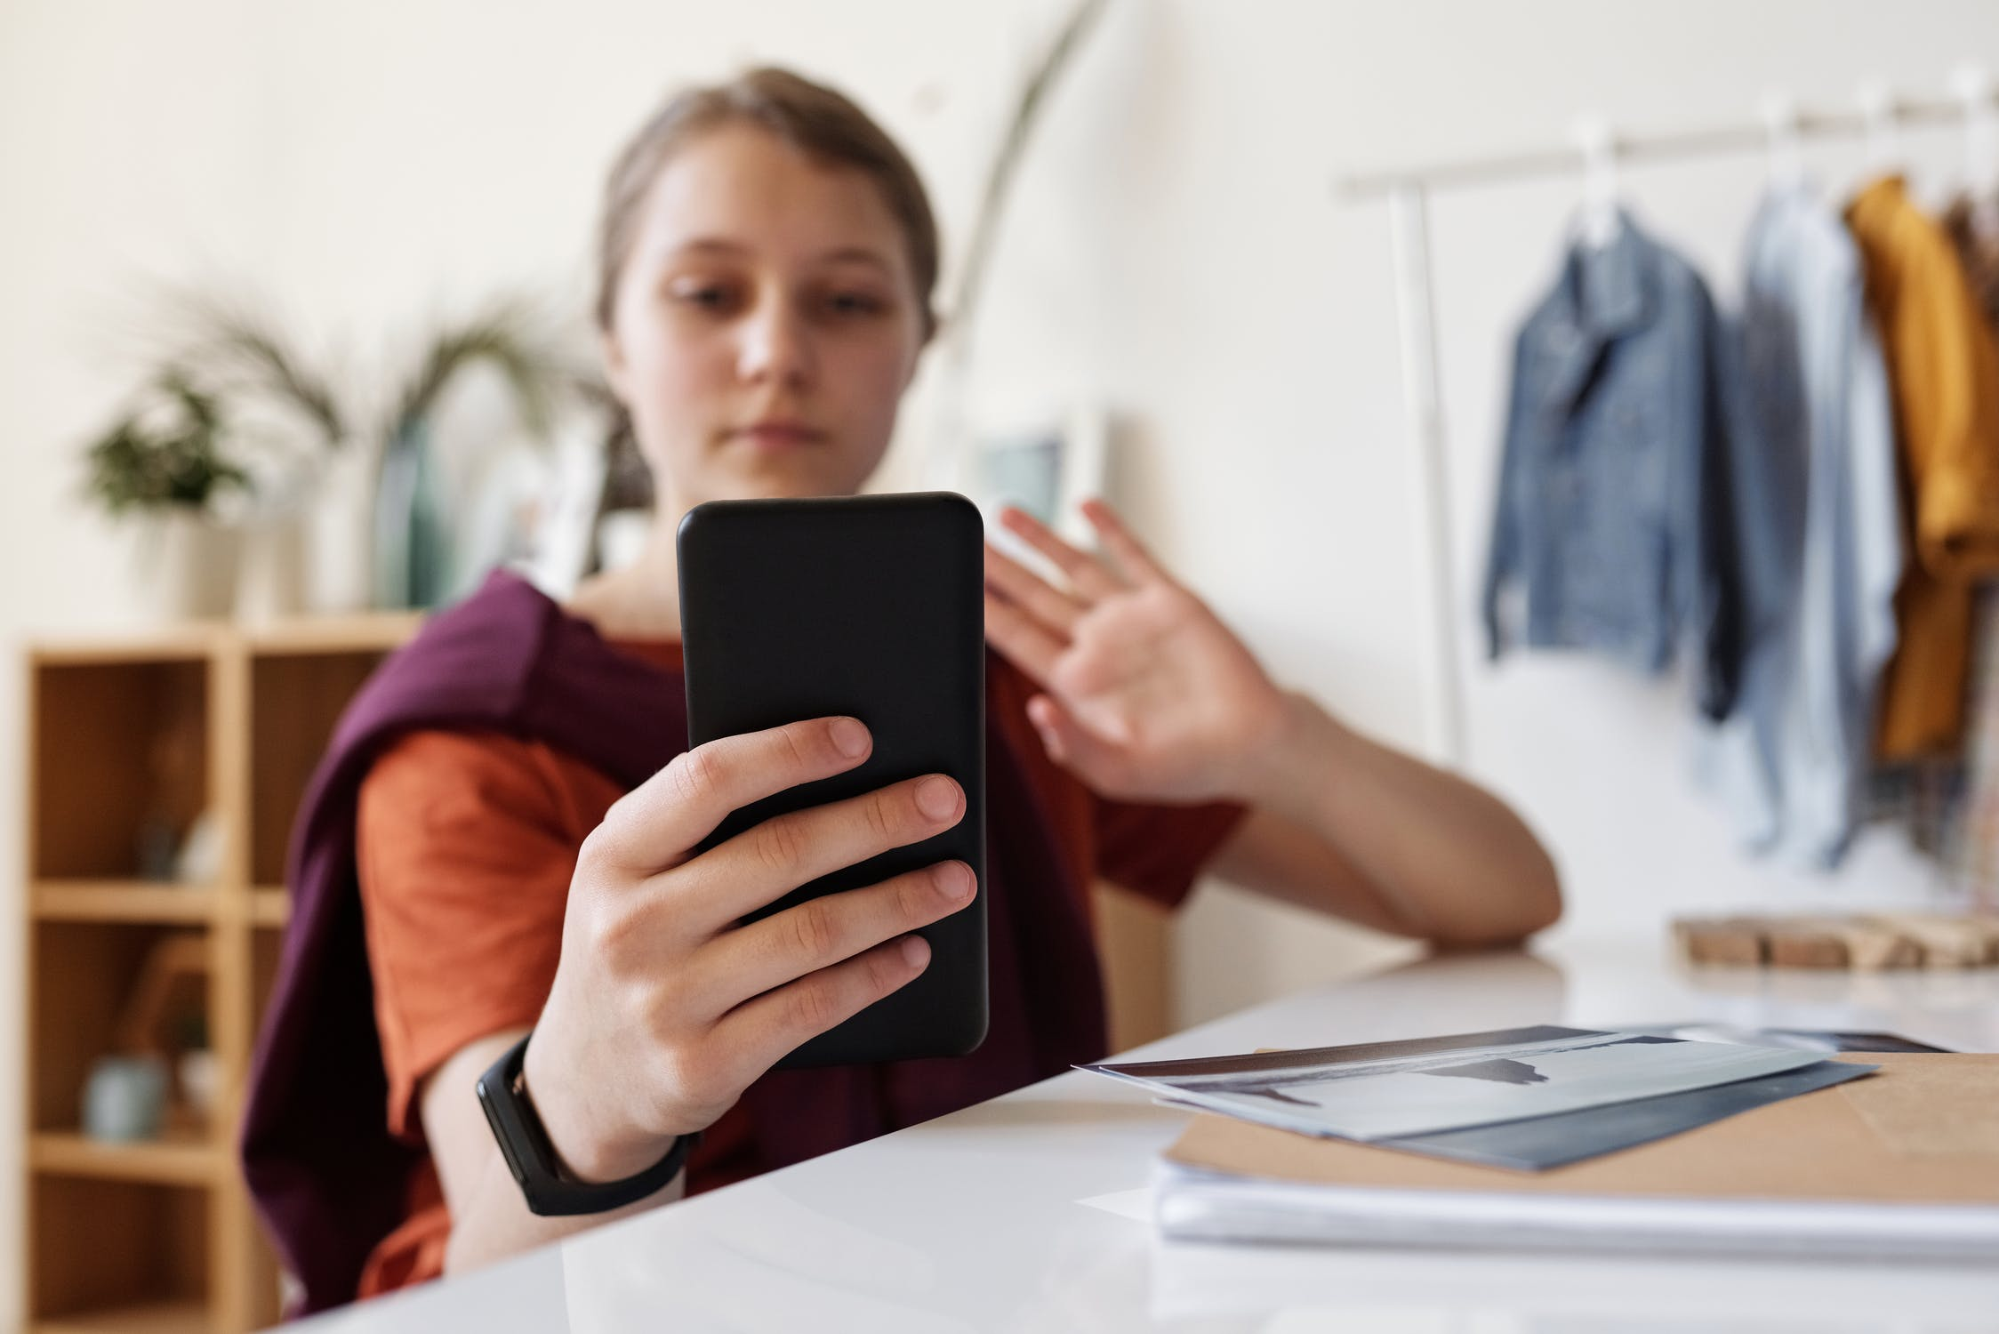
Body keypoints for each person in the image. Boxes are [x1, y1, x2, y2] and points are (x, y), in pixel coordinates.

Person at [242, 66, 1561, 1311]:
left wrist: (1284, 742)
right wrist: (586, 1094)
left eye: (847, 300)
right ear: (611, 341)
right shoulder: (477, 733)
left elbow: (1506, 895)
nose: (775, 351)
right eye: (707, 294)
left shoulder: (1015, 677)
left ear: (920, 342)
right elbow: (498, 1257)